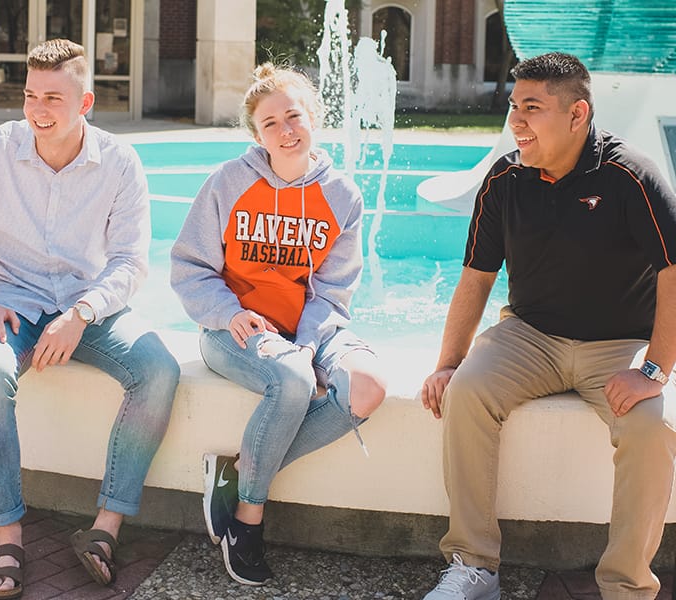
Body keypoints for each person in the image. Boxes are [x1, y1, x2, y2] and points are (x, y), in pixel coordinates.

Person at [0, 39, 180, 599]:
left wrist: (82, 313)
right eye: (31, 95)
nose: (38, 109)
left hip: (91, 307)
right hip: (10, 303)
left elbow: (132, 261)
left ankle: (104, 531)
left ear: (84, 103)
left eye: (53, 98)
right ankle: (8, 539)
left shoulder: (120, 162)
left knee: (158, 369)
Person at [420, 51, 676, 600]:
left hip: (619, 345)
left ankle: (627, 586)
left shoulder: (629, 175)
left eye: (532, 108)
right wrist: (447, 363)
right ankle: (473, 567)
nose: (516, 121)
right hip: (529, 336)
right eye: (514, 106)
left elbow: (674, 272)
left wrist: (653, 369)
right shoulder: (507, 177)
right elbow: (476, 278)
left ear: (577, 114)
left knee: (650, 428)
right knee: (465, 393)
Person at [170, 62, 387, 586]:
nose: (286, 131)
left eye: (294, 117)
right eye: (271, 124)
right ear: (257, 135)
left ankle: (241, 469)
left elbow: (333, 292)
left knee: (368, 389)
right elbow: (188, 269)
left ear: (314, 116)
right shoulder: (228, 182)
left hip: (311, 330)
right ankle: (248, 520)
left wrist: (307, 346)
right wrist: (229, 313)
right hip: (235, 330)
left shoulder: (343, 196)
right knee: (290, 380)